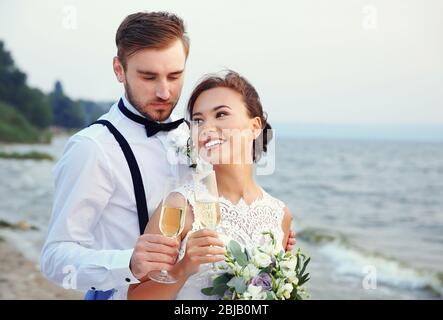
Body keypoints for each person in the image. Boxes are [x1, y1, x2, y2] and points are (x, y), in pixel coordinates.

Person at [40, 12, 296, 300]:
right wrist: (128, 263)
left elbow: (223, 201)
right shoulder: (93, 148)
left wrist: (263, 245)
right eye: (148, 77)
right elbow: (54, 256)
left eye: (175, 76)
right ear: (119, 70)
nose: (164, 92)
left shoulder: (199, 134)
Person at [128, 71, 295, 300]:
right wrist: (184, 267)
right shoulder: (180, 205)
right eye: (198, 120)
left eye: (221, 114)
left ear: (255, 126)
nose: (206, 128)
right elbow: (136, 296)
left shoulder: (280, 215)